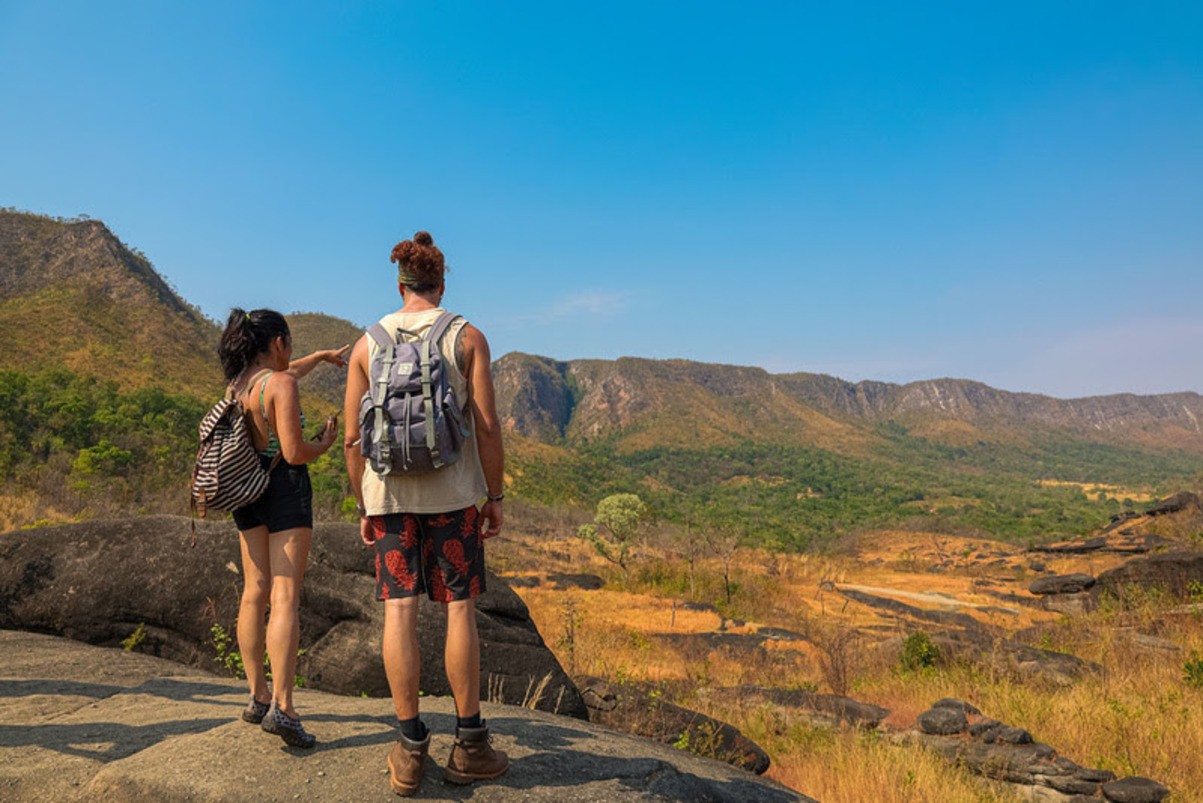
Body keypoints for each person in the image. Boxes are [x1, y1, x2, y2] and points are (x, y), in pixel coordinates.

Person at [343, 231, 508, 796]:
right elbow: (487, 426)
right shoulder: (467, 337)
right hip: (454, 497)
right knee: (459, 611)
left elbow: (349, 438)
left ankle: (410, 750)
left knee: (399, 614)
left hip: (388, 499)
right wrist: (496, 495)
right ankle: (470, 745)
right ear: (442, 283)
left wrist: (364, 502)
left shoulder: (367, 343)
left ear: (400, 284)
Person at [217, 308, 346, 749]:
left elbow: (287, 372)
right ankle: (284, 709)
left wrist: (323, 356)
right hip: (284, 488)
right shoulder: (282, 384)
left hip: (246, 486)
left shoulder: (240, 384)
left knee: (254, 590)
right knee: (285, 594)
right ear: (277, 343)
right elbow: (293, 452)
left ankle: (258, 696)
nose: (290, 354)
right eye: (288, 344)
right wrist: (324, 444)